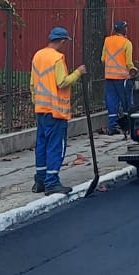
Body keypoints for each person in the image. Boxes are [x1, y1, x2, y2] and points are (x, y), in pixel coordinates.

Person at [30, 27, 86, 195]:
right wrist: (78, 73)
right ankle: (52, 182)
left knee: (42, 144)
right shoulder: (57, 58)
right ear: (62, 41)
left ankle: (40, 180)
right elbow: (62, 82)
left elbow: (33, 83)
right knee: (56, 146)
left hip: (41, 108)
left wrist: (36, 102)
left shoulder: (38, 55)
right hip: (56, 111)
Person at [101, 20, 136, 136]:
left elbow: (103, 59)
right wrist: (133, 70)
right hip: (123, 77)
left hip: (109, 77)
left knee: (112, 102)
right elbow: (129, 63)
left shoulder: (107, 40)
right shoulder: (127, 43)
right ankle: (127, 126)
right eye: (127, 27)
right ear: (124, 29)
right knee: (126, 102)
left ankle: (112, 127)